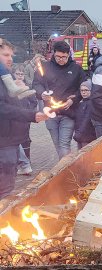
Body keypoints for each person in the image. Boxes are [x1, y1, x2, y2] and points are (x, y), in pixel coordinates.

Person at [0, 39, 48, 199]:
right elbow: (3, 108)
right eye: (5, 55)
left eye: (11, 55)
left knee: (7, 186)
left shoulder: (6, 80)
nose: (10, 59)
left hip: (10, 140)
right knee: (4, 191)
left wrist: (21, 94)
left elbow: (10, 103)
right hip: (3, 141)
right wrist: (32, 115)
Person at [33, 41, 86, 159]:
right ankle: (64, 167)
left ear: (69, 55)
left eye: (64, 57)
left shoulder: (76, 69)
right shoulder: (45, 67)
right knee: (58, 145)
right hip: (50, 113)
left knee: (64, 144)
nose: (60, 59)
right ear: (53, 54)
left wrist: (74, 99)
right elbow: (36, 84)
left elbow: (84, 87)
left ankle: (66, 170)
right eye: (58, 56)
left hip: (69, 112)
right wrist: (41, 93)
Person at [13, 64, 38, 175]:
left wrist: (29, 113)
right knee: (15, 140)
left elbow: (34, 102)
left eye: (22, 74)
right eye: (17, 74)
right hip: (14, 118)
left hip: (25, 118)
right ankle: (22, 163)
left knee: (25, 139)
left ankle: (26, 161)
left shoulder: (28, 87)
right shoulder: (11, 87)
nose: (20, 76)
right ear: (13, 74)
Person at [73, 80, 96, 149]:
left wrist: (79, 133)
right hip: (80, 135)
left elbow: (86, 119)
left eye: (86, 90)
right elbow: (75, 115)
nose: (83, 92)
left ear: (91, 90)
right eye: (82, 90)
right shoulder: (81, 102)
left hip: (87, 136)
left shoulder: (91, 103)